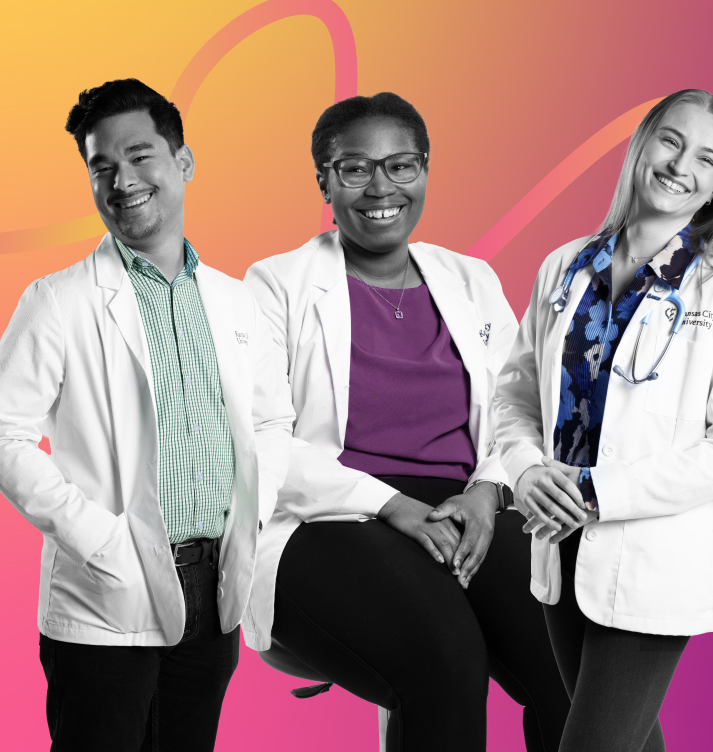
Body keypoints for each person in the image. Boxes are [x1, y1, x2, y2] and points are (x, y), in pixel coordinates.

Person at [0, 79, 294, 751]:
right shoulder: (57, 301)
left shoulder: (236, 303)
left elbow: (271, 422)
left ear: (183, 162)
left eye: (140, 156)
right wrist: (100, 541)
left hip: (215, 589)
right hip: (105, 592)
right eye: (102, 166)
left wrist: (251, 519)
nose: (123, 180)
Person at [242, 92, 570, 751]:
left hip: (466, 504)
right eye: (355, 168)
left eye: (402, 165)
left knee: (573, 657)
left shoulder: (471, 279)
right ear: (325, 182)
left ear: (425, 170)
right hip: (333, 514)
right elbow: (261, 442)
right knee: (444, 659)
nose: (381, 187)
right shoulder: (275, 285)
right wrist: (391, 505)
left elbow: (522, 409)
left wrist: (485, 492)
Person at [492, 89, 713, 752]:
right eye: (671, 141)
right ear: (642, 144)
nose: (681, 165)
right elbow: (514, 395)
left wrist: (598, 493)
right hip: (555, 545)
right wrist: (526, 470)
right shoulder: (565, 267)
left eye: (707, 159)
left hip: (646, 559)